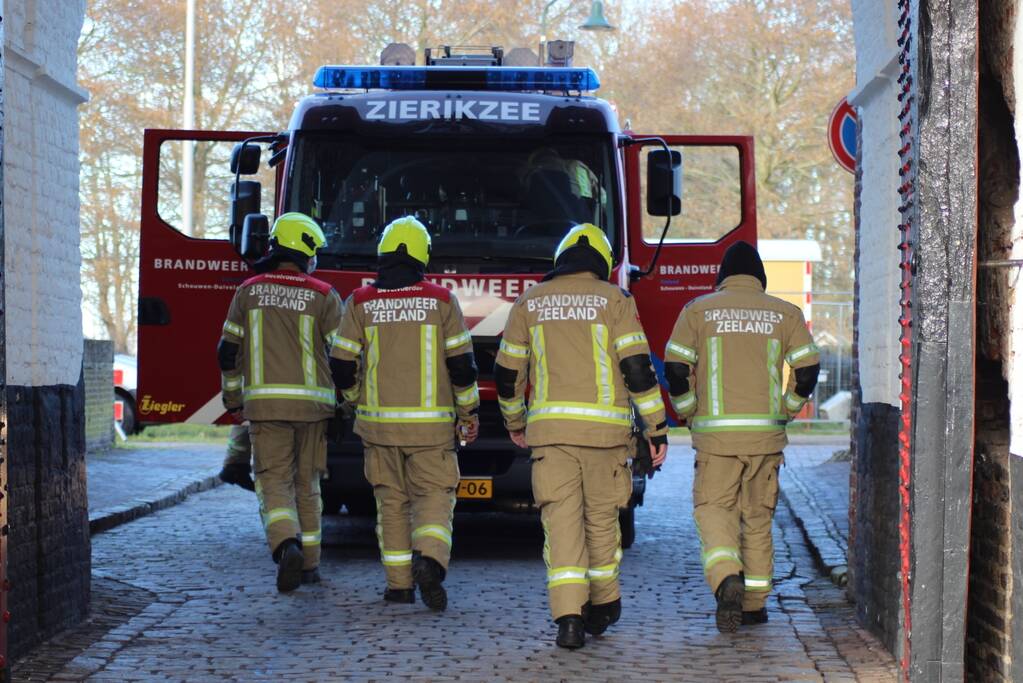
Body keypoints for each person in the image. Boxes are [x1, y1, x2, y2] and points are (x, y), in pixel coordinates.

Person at [494, 223, 668, 649]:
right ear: (602, 264)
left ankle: (569, 618)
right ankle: (605, 603)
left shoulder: (530, 301)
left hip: (551, 437)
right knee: (601, 523)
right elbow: (638, 369)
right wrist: (655, 428)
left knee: (561, 524)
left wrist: (515, 421)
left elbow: (507, 373)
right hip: (605, 437)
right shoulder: (616, 300)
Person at [663, 240, 820, 633]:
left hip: (716, 441)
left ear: (722, 276)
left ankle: (726, 578)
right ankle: (753, 606)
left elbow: (676, 368)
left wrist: (686, 410)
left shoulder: (697, 311)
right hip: (765, 439)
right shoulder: (785, 313)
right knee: (757, 518)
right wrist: (788, 406)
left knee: (714, 511)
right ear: (760, 277)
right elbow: (808, 369)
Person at [330, 216, 480, 611]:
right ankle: (429, 559)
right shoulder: (442, 300)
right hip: (432, 430)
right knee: (434, 497)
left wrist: (354, 397)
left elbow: (341, 363)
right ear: (422, 256)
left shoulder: (360, 302)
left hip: (378, 428)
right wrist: (468, 411)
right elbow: (462, 365)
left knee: (391, 503)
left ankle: (398, 587)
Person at [217, 212, 344, 592]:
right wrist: (346, 404)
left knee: (273, 481)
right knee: (307, 484)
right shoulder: (323, 295)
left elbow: (227, 351)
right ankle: (310, 566)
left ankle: (285, 542)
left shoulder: (248, 292)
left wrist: (233, 396)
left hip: (265, 409)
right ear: (305, 250)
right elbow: (343, 357)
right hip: (314, 410)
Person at [218, 424, 254, 491]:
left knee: (252, 487)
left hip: (236, 464)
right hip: (236, 464)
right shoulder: (239, 428)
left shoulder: (239, 428)